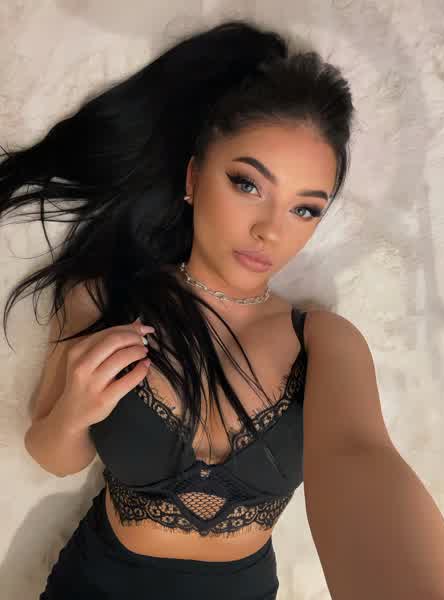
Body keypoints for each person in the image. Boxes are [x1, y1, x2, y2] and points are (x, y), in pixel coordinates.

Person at [2, 17, 354, 599]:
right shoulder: (104, 297)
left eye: (305, 209)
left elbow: (368, 457)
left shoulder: (321, 339)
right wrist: (75, 407)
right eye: (247, 184)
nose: (270, 230)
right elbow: (52, 456)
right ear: (194, 177)